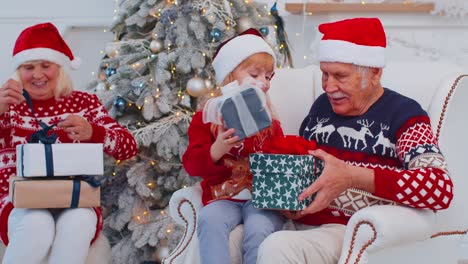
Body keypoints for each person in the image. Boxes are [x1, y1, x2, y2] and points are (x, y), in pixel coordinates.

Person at [256, 17, 454, 264]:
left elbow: (439, 188)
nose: (328, 86)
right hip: (295, 220)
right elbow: (302, 162)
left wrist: (352, 176)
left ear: (374, 73)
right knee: (234, 239)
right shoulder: (322, 107)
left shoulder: (404, 115)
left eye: (340, 76)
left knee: (278, 247)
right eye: (325, 75)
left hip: (345, 230)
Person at [0, 22, 137, 264]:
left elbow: (128, 147)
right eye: (29, 67)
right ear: (18, 72)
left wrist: (93, 132)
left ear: (60, 68)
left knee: (79, 223)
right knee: (36, 224)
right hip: (19, 200)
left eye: (46, 66)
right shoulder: (6, 104)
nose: (38, 74)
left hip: (75, 198)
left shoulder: (83, 103)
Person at [182, 28, 286, 264]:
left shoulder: (269, 119)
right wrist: (216, 149)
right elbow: (192, 165)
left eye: (268, 77)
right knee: (210, 219)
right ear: (229, 76)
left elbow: (280, 157)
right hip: (223, 197)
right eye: (255, 74)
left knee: (258, 227)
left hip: (261, 198)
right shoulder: (206, 119)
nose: (264, 83)